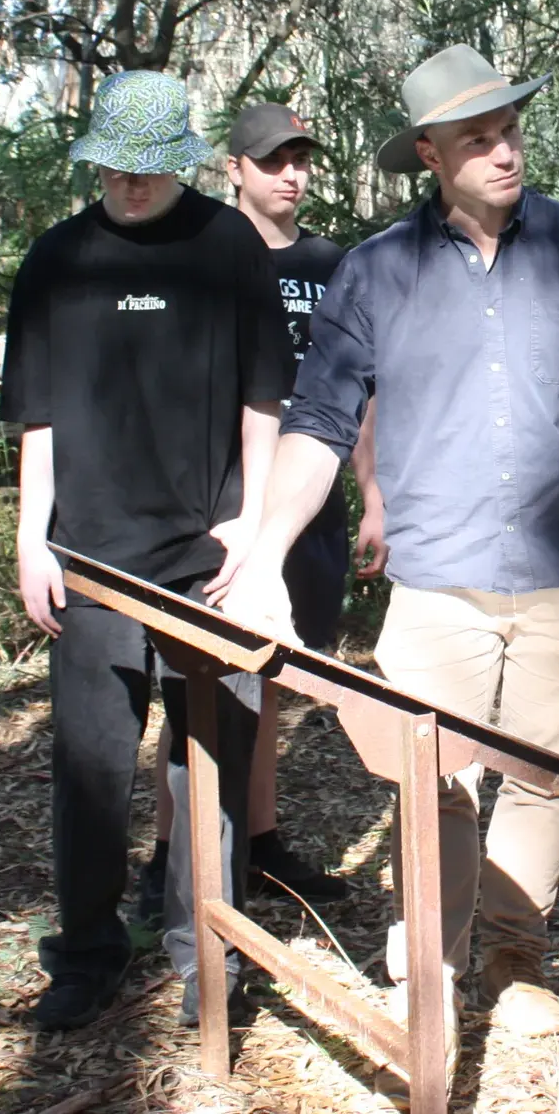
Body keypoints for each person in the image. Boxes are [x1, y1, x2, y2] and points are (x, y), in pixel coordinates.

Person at [215, 44, 559, 1040]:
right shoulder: (375, 272)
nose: (506, 151)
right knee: (433, 785)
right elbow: (319, 424)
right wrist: (260, 551)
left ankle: (516, 963)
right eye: (479, 138)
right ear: (429, 154)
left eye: (511, 129)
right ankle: (431, 966)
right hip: (435, 580)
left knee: (547, 773)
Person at [1, 71, 288, 1031]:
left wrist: (255, 527)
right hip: (88, 557)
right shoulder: (56, 260)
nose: (131, 187)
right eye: (117, 171)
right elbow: (35, 415)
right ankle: (85, 954)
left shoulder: (228, 245)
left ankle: (205, 947)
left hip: (209, 556)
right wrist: (31, 536)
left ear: (182, 164)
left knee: (209, 759)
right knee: (89, 770)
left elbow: (263, 396)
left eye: (149, 172)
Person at [139, 101, 353, 905]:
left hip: (313, 502)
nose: (292, 174)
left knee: (271, 680)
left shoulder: (333, 263)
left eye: (301, 158)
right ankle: (169, 860)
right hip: (222, 506)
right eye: (273, 160)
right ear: (233, 169)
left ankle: (257, 844)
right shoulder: (196, 255)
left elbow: (357, 387)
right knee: (198, 684)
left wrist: (379, 499)